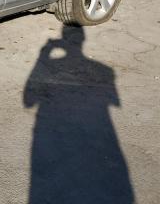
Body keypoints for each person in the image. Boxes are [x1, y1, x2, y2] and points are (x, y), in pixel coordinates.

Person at [23, 26, 134, 204]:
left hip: (50, 134)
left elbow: (28, 100)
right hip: (99, 136)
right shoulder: (105, 71)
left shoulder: (56, 65)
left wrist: (44, 54)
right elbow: (114, 103)